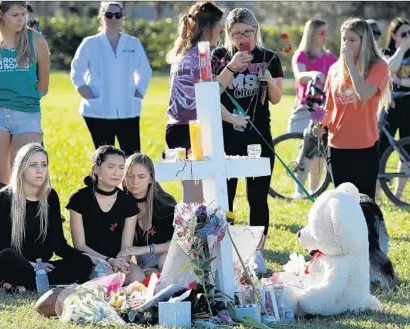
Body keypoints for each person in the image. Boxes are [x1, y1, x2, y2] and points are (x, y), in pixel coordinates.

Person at [212, 7, 283, 248]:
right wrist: (230, 67)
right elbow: (213, 93)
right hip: (227, 137)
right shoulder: (220, 56)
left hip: (259, 136)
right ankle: (226, 245)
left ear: (256, 31)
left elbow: (276, 98)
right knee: (226, 196)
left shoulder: (270, 57)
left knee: (258, 197)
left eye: (247, 32)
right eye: (236, 33)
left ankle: (257, 248)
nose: (242, 39)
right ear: (227, 34)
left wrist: (271, 82)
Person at [0, 143, 94, 293]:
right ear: (21, 168)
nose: (40, 170)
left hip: (43, 267)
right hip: (14, 264)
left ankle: (27, 286)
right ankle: (41, 283)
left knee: (83, 263)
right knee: (6, 256)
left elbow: (59, 244)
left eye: (44, 165)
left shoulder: (50, 196)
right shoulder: (4, 198)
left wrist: (88, 257)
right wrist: (33, 266)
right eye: (33, 165)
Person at [165, 1, 241, 203]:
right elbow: (210, 95)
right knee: (197, 197)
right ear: (209, 28)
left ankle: (194, 232)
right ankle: (192, 233)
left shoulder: (185, 52)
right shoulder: (201, 54)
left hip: (177, 129)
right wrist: (232, 68)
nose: (221, 32)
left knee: (194, 191)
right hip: (191, 131)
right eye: (219, 26)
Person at [0, 1, 50, 185]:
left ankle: (25, 213)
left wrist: (24, 100)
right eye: (15, 15)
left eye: (24, 14)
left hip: (27, 114)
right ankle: (4, 213)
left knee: (25, 176)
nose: (21, 19)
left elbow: (43, 85)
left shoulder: (37, 40)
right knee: (1, 180)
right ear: (1, 15)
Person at [319, 17, 391, 199]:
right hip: (336, 145)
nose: (346, 44)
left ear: (364, 41)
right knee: (343, 205)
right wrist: (319, 122)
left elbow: (364, 94)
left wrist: (351, 66)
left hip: (364, 146)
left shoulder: (378, 66)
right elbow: (328, 107)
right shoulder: (334, 69)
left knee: (365, 203)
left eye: (352, 40)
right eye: (344, 39)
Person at [70, 2, 152, 158]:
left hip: (128, 110)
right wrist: (89, 95)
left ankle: (130, 183)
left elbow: (145, 71)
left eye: (117, 15)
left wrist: (138, 94)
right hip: (98, 111)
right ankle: (100, 183)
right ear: (101, 17)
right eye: (108, 15)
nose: (113, 18)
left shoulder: (133, 43)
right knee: (105, 159)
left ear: (122, 18)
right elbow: (76, 73)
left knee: (132, 157)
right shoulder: (90, 43)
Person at [67, 145, 144, 285]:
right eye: (111, 167)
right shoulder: (79, 199)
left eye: (121, 168)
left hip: (118, 261)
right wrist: (109, 260)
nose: (117, 172)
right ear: (96, 168)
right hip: (92, 260)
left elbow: (126, 247)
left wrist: (120, 263)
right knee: (107, 277)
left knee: (138, 276)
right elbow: (80, 245)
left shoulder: (128, 203)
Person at [379, 17, 410, 199]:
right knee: (382, 147)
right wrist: (401, 49)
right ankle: (376, 192)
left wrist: (400, 81)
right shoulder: (387, 52)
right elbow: (387, 70)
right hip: (390, 106)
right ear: (394, 35)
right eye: (404, 34)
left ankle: (398, 193)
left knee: (405, 148)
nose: (409, 37)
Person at [288, 18, 338, 198]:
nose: (325, 37)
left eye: (326, 32)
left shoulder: (330, 58)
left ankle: (314, 190)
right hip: (306, 106)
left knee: (319, 153)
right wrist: (312, 75)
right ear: (312, 34)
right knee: (306, 150)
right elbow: (300, 76)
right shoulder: (301, 56)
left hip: (323, 109)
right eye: (321, 33)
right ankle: (298, 190)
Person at [118, 153, 177, 275]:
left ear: (150, 178)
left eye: (141, 177)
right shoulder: (120, 205)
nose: (134, 182)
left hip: (170, 259)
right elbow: (124, 248)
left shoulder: (165, 205)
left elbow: (179, 241)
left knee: (164, 261)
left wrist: (145, 249)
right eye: (129, 176)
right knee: (144, 274)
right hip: (146, 267)